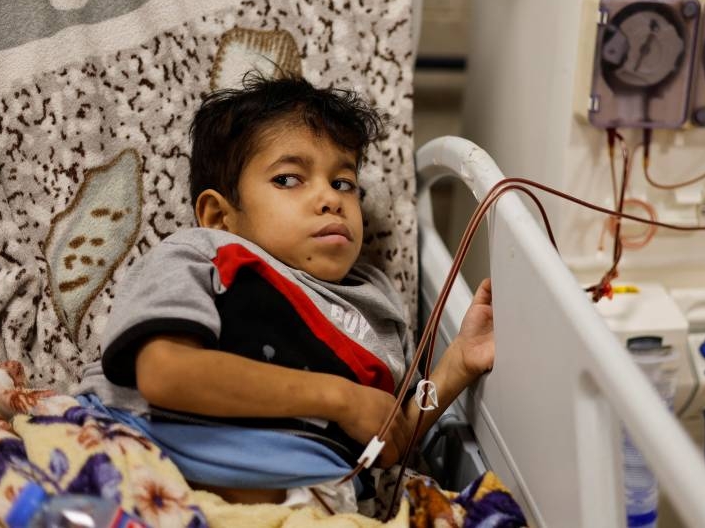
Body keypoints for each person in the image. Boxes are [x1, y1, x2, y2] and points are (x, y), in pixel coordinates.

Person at [78, 74, 494, 514]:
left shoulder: (379, 308)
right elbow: (165, 373)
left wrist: (455, 367)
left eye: (343, 183)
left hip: (302, 507)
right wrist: (340, 397)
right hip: (139, 466)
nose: (329, 199)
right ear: (219, 216)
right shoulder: (205, 254)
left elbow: (397, 431)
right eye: (289, 179)